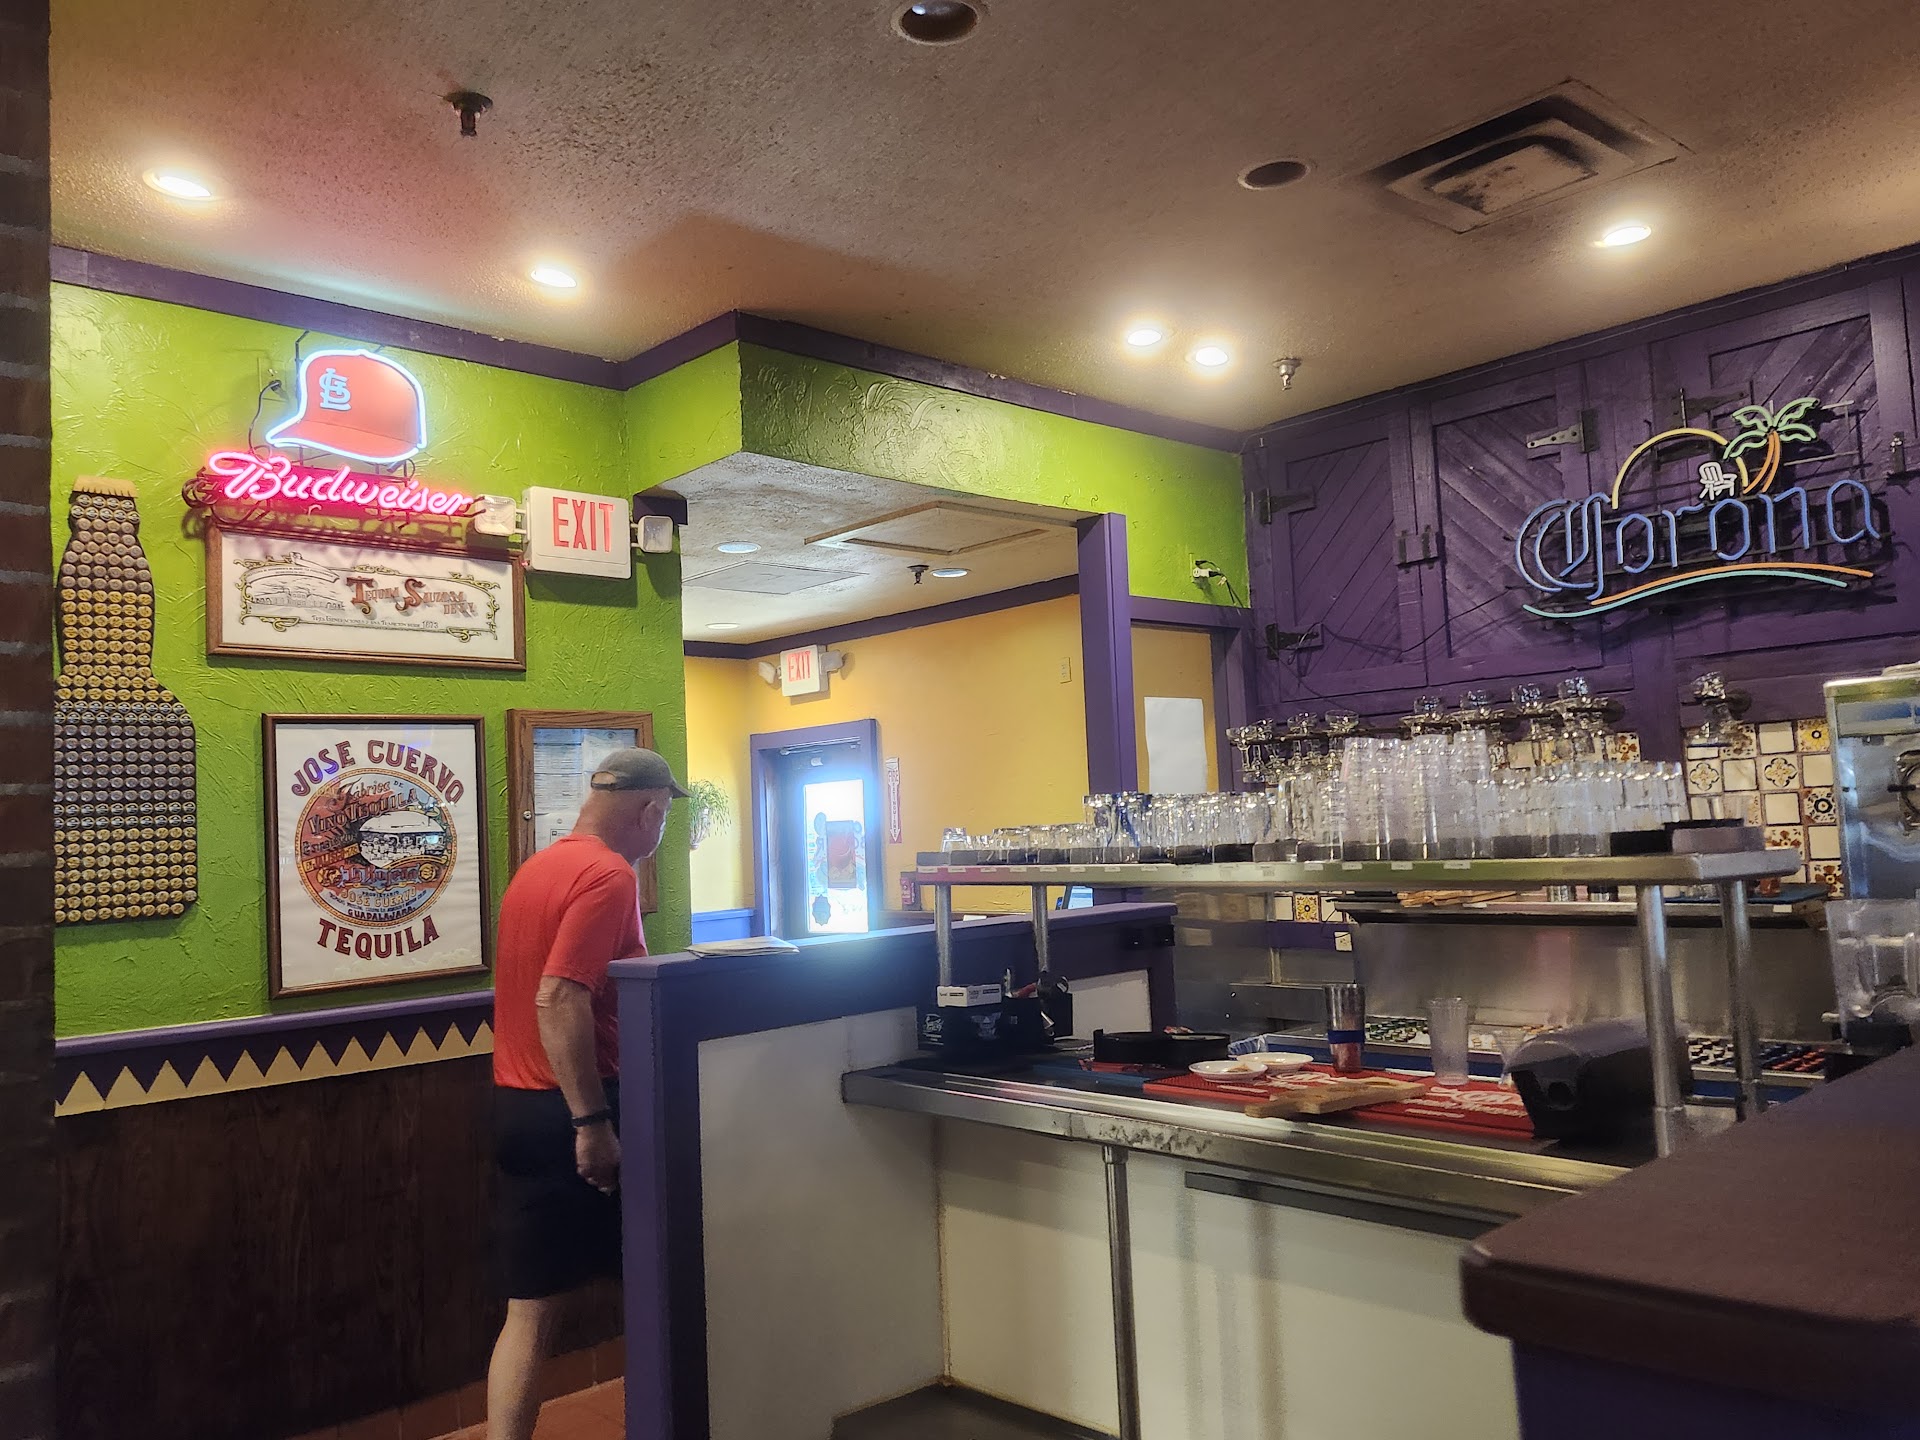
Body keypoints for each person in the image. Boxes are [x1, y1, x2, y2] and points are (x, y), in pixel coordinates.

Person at [486, 747, 686, 1440]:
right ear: (650, 809)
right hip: (578, 1111)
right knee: (658, 1286)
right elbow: (559, 995)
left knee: (529, 1312)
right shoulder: (609, 874)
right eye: (665, 816)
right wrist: (592, 1123)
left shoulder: (538, 868)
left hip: (516, 1106)